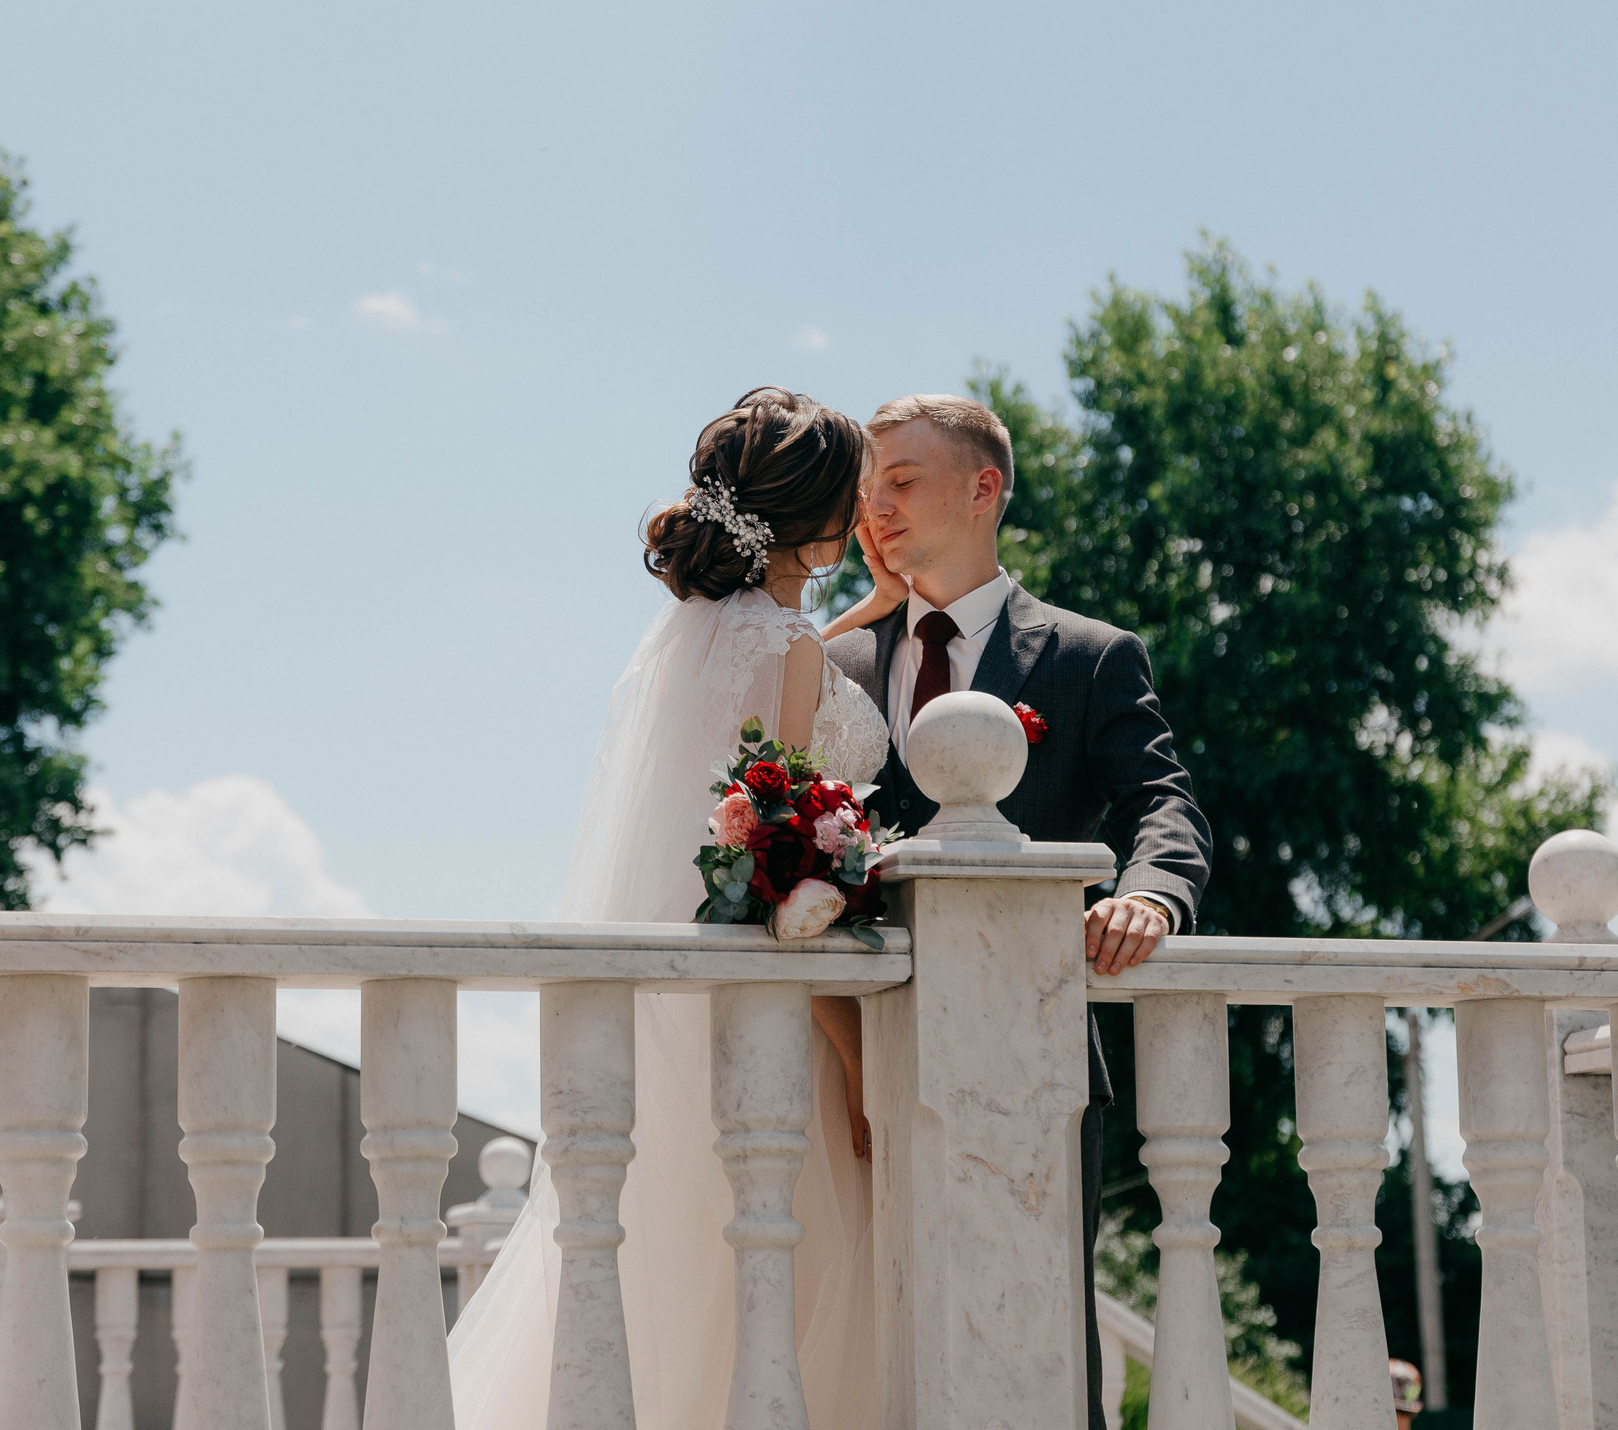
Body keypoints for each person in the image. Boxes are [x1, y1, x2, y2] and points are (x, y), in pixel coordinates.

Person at [448, 386, 905, 1430]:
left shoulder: (695, 637)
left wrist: (861, 616)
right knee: (778, 1299)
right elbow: (776, 877)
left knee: (680, 1287)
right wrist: (856, 1059)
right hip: (781, 1025)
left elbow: (759, 751)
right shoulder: (785, 649)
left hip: (675, 1024)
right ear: (820, 517)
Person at [822, 392, 1214, 1430]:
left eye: (901, 481)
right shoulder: (836, 663)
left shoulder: (1089, 656)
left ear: (983, 487)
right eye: (866, 491)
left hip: (1033, 1061)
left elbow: (1163, 804)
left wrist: (1148, 896)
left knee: (1040, 1344)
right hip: (842, 1062)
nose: (874, 510)